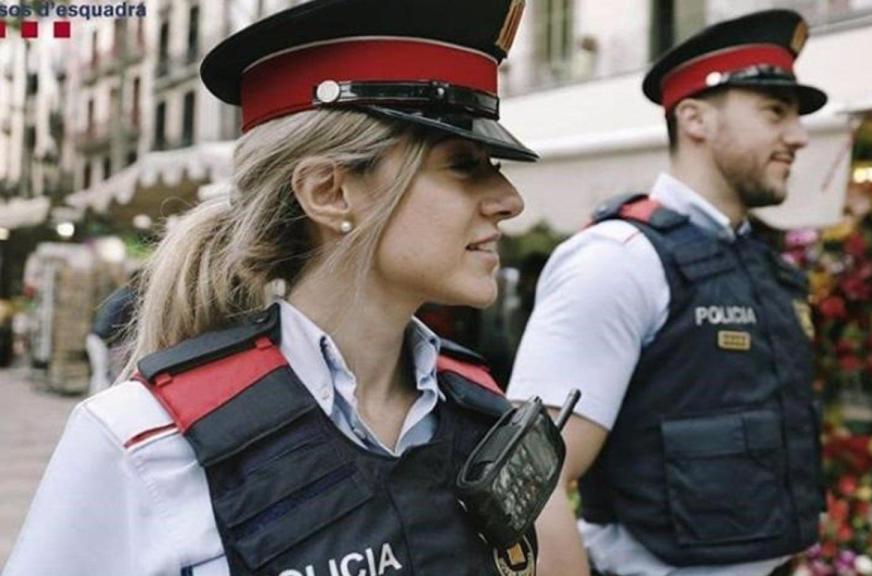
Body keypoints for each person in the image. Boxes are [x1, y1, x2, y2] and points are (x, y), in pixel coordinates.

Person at [4, 1, 545, 575]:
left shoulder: (483, 411)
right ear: (329, 192)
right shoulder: (144, 441)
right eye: (464, 166)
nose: (510, 201)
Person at [508, 10, 829, 576]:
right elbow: (530, 486)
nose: (799, 137)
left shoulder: (763, 264)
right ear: (694, 118)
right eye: (775, 112)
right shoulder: (618, 260)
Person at [85, 277, 138, 394]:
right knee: (101, 373)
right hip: (100, 340)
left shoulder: (121, 294)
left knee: (103, 373)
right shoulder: (129, 298)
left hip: (97, 339)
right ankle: (98, 401)